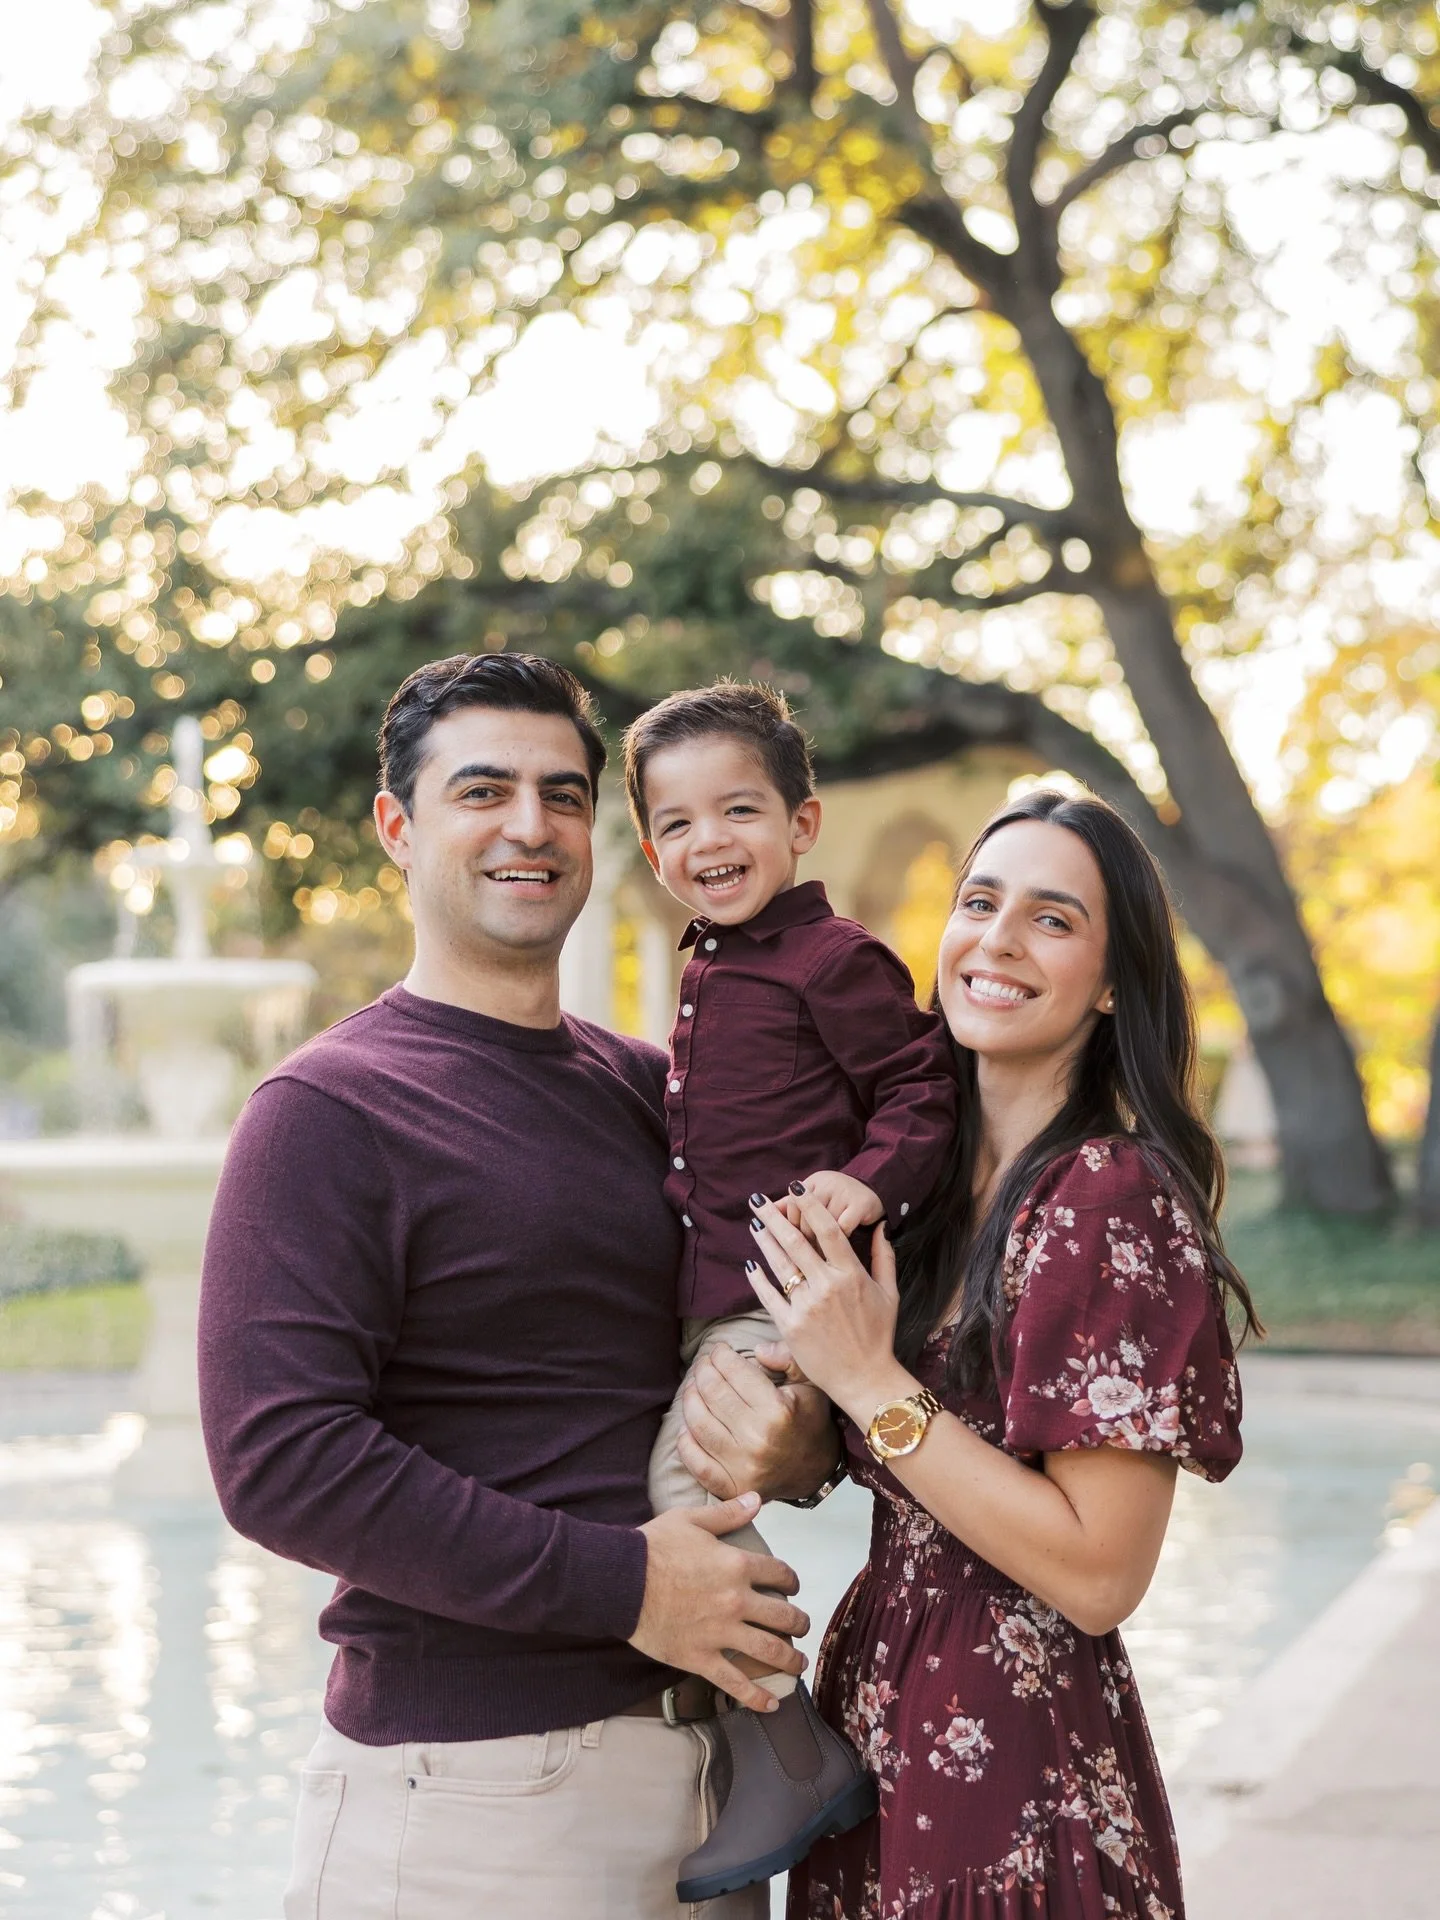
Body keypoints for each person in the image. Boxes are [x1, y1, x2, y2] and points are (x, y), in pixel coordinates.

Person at [196, 652, 841, 1920]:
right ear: (398, 826)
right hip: (472, 1805)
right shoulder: (327, 1111)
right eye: (481, 790)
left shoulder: (654, 1090)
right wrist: (629, 1585)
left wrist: (801, 1439)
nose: (529, 827)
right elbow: (280, 1458)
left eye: (562, 793)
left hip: (713, 1782)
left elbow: (739, 1349)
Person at [744, 787, 1261, 1920]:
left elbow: (1097, 1575)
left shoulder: (1107, 1198)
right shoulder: (915, 1196)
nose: (998, 939)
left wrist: (870, 1381)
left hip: (1017, 1760)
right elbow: (886, 1466)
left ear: (1116, 980)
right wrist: (792, 1428)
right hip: (876, 1717)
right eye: (981, 901)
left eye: (1053, 919)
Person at [621, 682, 958, 1903]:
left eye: (740, 810)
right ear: (652, 845)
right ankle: (756, 1744)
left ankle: (789, 1748)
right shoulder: (715, 963)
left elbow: (926, 1090)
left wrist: (864, 1186)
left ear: (802, 822)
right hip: (725, 1298)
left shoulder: (832, 956)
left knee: (679, 1491)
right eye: (677, 824)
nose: (709, 842)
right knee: (675, 1484)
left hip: (790, 1288)